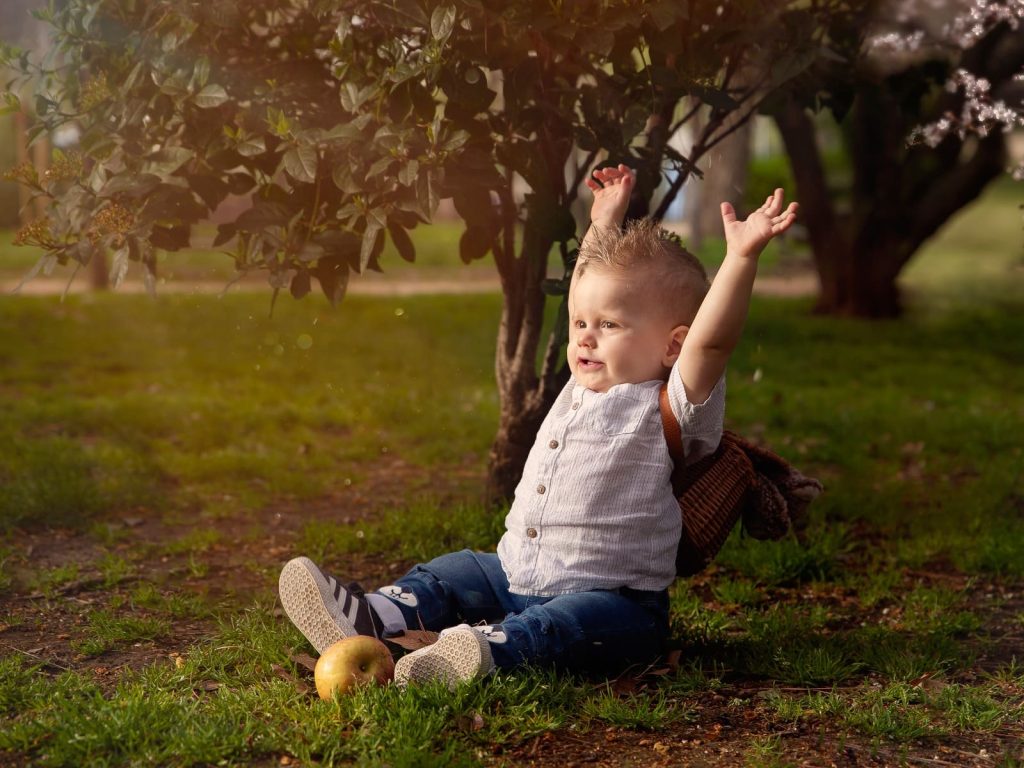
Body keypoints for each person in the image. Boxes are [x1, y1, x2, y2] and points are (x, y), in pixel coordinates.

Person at [279, 166, 798, 688]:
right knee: (454, 571)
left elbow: (712, 343)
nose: (586, 337)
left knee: (560, 626)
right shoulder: (581, 386)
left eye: (610, 325)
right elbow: (583, 291)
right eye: (581, 325)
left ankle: (480, 654)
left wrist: (741, 257)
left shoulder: (672, 406)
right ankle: (370, 616)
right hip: (515, 575)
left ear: (672, 345)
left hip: (615, 605)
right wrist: (603, 222)